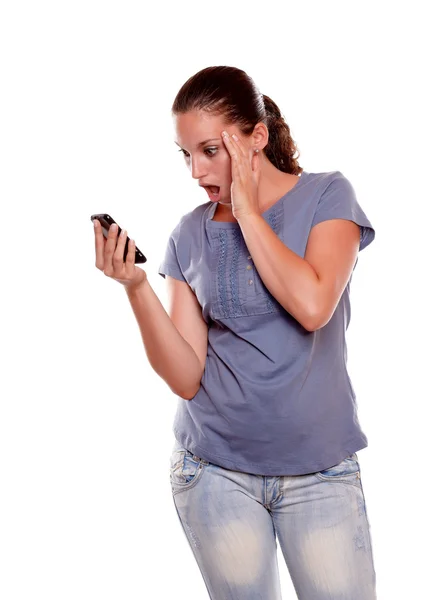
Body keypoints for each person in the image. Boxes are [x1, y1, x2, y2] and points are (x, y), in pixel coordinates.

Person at [93, 65, 377, 599]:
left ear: (257, 137)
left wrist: (247, 211)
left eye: (210, 150)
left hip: (319, 474)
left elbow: (313, 305)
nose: (196, 171)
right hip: (214, 472)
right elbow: (185, 375)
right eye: (186, 154)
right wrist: (135, 286)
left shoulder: (327, 197)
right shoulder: (190, 233)